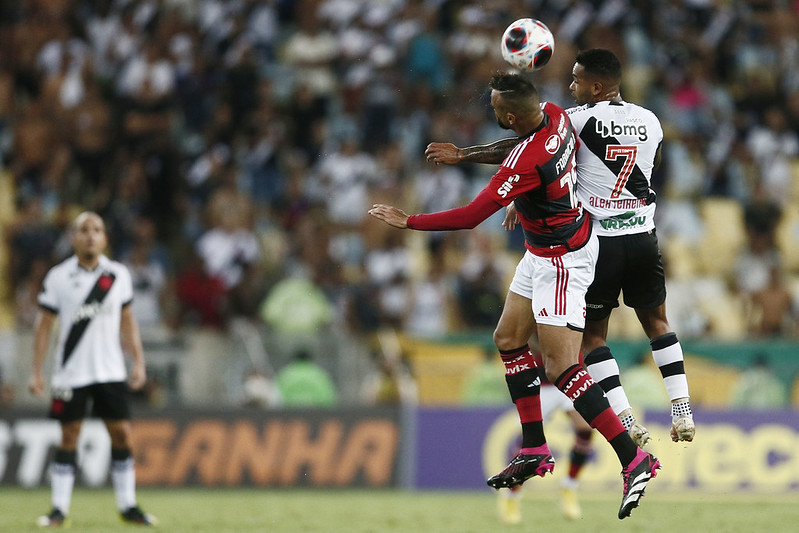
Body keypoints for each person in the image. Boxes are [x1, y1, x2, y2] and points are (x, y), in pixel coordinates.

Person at [370, 73, 659, 520]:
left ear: (508, 116)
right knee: (507, 338)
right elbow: (518, 149)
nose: (491, 111)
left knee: (562, 367)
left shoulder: (526, 160)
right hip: (542, 248)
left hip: (562, 260)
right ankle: (535, 447)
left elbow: (470, 216)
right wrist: (466, 155)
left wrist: (409, 221)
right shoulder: (555, 116)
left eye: (494, 108)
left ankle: (633, 458)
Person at [425, 49, 695, 445]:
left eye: (577, 80)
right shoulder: (650, 120)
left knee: (592, 339)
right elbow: (649, 165)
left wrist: (466, 155)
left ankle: (625, 418)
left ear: (597, 87)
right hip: (642, 236)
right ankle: (682, 408)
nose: (571, 87)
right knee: (658, 323)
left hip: (600, 243)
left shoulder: (575, 120)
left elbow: (523, 152)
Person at [28, 212, 156, 527]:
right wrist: (36, 371)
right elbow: (43, 326)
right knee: (69, 435)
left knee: (121, 433)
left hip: (110, 370)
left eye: (96, 230)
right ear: (74, 238)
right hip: (70, 372)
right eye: (84, 230)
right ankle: (59, 509)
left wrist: (138, 361)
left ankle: (128, 505)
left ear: (104, 239)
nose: (90, 235)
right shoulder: (58, 277)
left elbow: (128, 321)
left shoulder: (117, 275)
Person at [496, 350, 594, 524]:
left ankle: (569, 486)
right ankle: (511, 495)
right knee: (528, 441)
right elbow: (532, 342)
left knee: (585, 428)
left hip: (571, 377)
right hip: (542, 381)